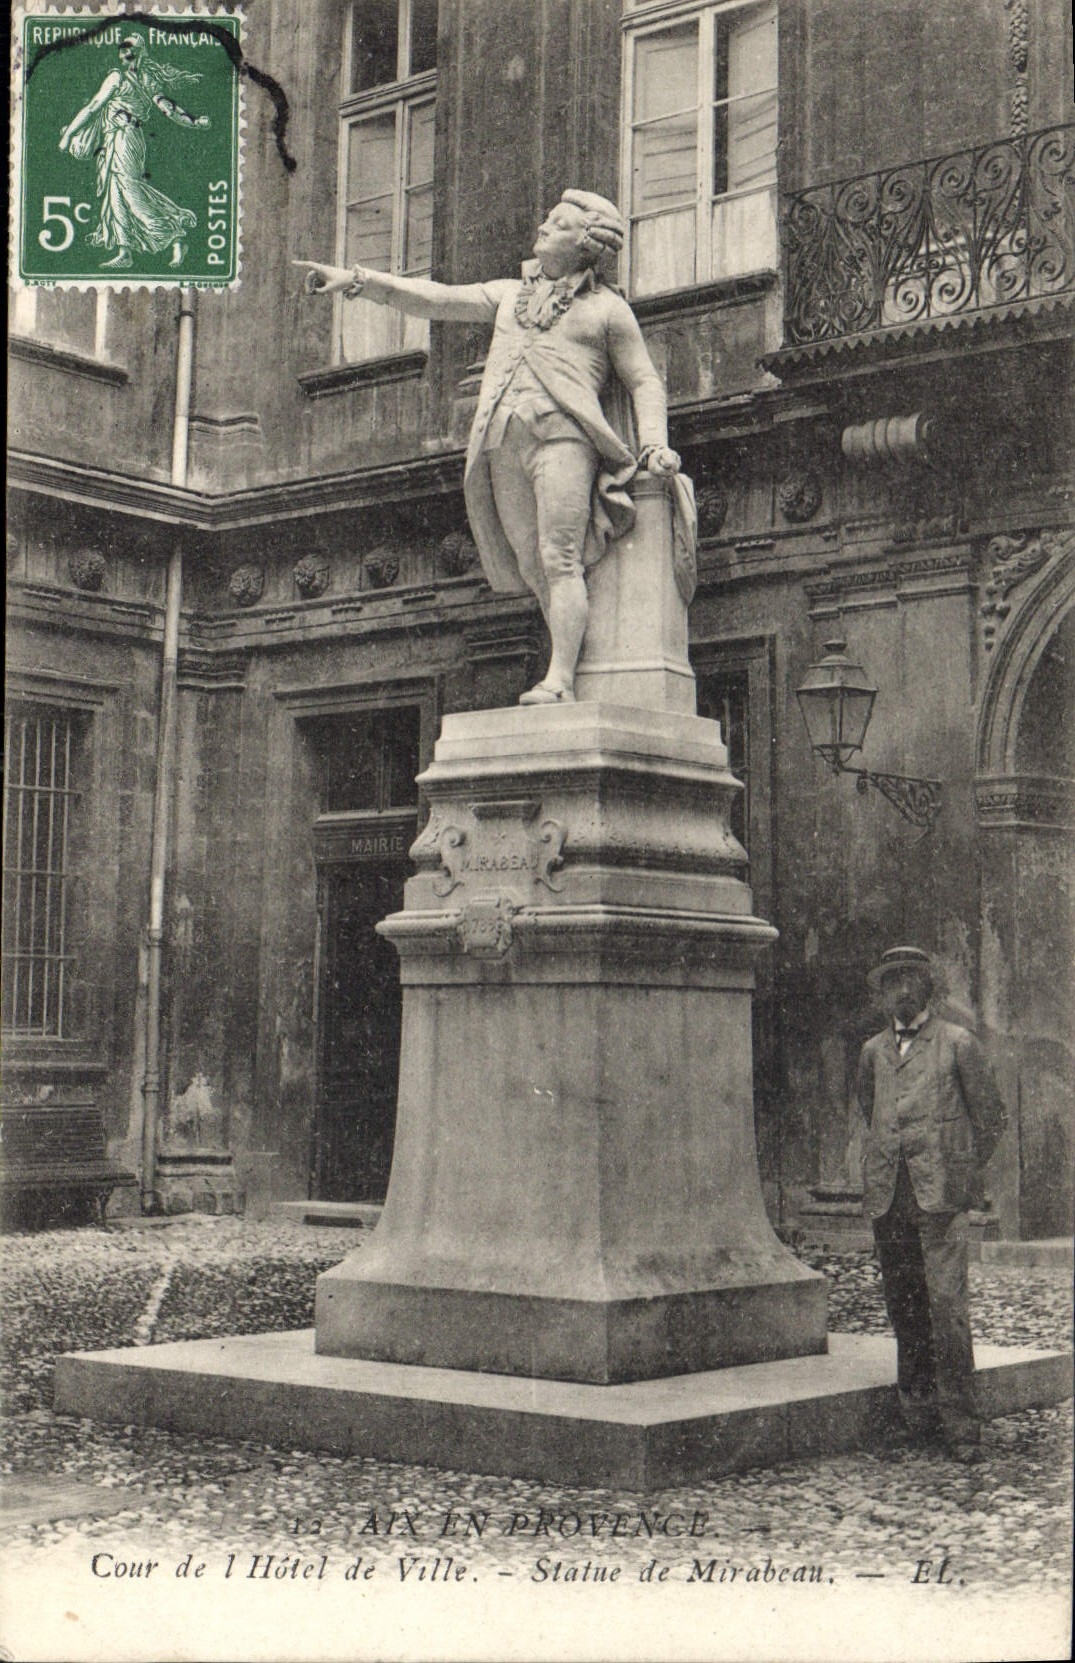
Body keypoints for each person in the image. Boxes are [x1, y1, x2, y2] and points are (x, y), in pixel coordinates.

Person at [296, 190, 688, 705]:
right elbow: (435, 299)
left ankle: (562, 679)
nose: (544, 227)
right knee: (529, 562)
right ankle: (571, 662)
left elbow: (644, 381)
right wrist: (360, 281)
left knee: (559, 556)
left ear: (585, 243)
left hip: (563, 438)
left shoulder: (608, 311)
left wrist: (655, 442)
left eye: (559, 223)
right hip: (503, 440)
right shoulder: (509, 294)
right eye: (547, 218)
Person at [857, 946, 1008, 1462]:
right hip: (889, 1197)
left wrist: (958, 1172)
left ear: (929, 987)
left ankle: (962, 1426)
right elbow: (871, 1112)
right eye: (892, 981)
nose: (902, 990)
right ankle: (915, 1415)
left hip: (940, 1199)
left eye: (911, 980)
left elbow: (991, 1120)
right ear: (881, 993)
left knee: (947, 1309)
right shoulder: (872, 1052)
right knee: (904, 1308)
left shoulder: (958, 1044)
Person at [59, 34, 210, 271]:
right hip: (117, 139)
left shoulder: (127, 78)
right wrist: (195, 122)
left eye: (127, 48)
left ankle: (175, 234)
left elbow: (93, 107)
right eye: (122, 49)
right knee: (115, 193)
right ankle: (124, 251)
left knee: (131, 191)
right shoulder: (133, 78)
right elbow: (168, 110)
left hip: (126, 139)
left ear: (139, 51)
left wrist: (69, 134)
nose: (123, 53)